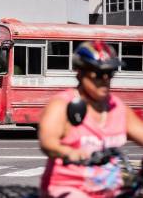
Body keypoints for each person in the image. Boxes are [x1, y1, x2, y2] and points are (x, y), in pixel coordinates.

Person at [39, 41, 143, 198]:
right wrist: (69, 153)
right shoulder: (63, 104)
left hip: (112, 190)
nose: (106, 79)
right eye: (99, 73)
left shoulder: (117, 107)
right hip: (70, 189)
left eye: (110, 73)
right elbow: (48, 142)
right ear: (80, 73)